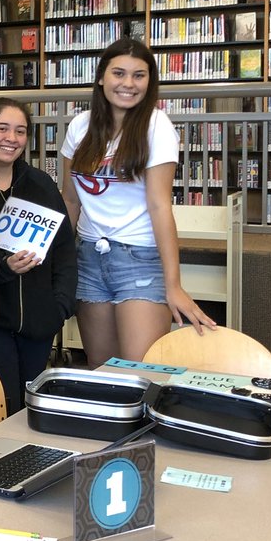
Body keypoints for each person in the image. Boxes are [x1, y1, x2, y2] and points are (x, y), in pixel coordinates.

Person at [60, 38, 215, 368]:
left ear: (150, 81)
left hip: (140, 259)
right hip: (88, 257)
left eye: (139, 75)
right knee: (102, 368)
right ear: (101, 77)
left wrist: (173, 285)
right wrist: (54, 261)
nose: (128, 83)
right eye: (119, 73)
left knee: (140, 370)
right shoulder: (79, 126)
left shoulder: (157, 126)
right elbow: (70, 201)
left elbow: (160, 206)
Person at [0, 97, 77, 413]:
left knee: (32, 410)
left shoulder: (39, 183)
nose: (11, 138)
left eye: (20, 131)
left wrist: (60, 306)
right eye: (2, 128)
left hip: (38, 324)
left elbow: (64, 248)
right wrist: (2, 266)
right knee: (0, 408)